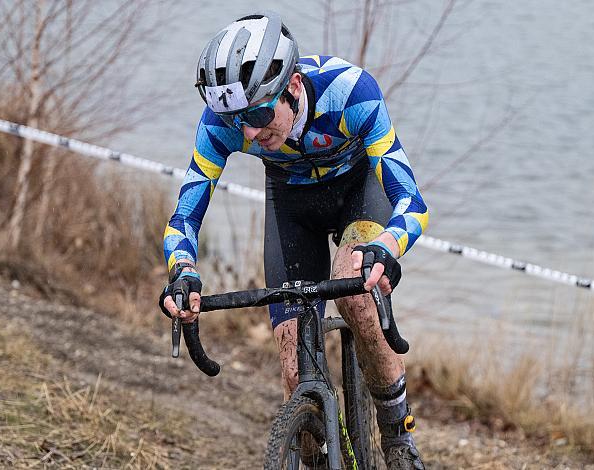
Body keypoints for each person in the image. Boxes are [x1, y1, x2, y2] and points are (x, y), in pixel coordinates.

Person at [159, 11, 428, 470]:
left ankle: (397, 435)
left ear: (295, 87)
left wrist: (387, 247)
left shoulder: (350, 91)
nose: (248, 132)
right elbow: (185, 212)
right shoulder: (221, 124)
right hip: (291, 206)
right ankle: (318, 453)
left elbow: (411, 200)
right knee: (292, 368)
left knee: (355, 291)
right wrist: (182, 271)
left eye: (259, 114)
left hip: (359, 195)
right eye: (234, 119)